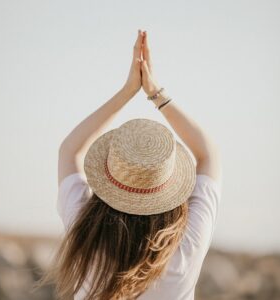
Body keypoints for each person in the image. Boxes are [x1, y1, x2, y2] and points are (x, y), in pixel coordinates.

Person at [32, 29, 223, 300]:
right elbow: (208, 154)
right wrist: (154, 92)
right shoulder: (185, 248)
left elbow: (69, 150)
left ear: (110, 181)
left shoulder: (87, 236)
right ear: (169, 189)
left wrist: (127, 91)